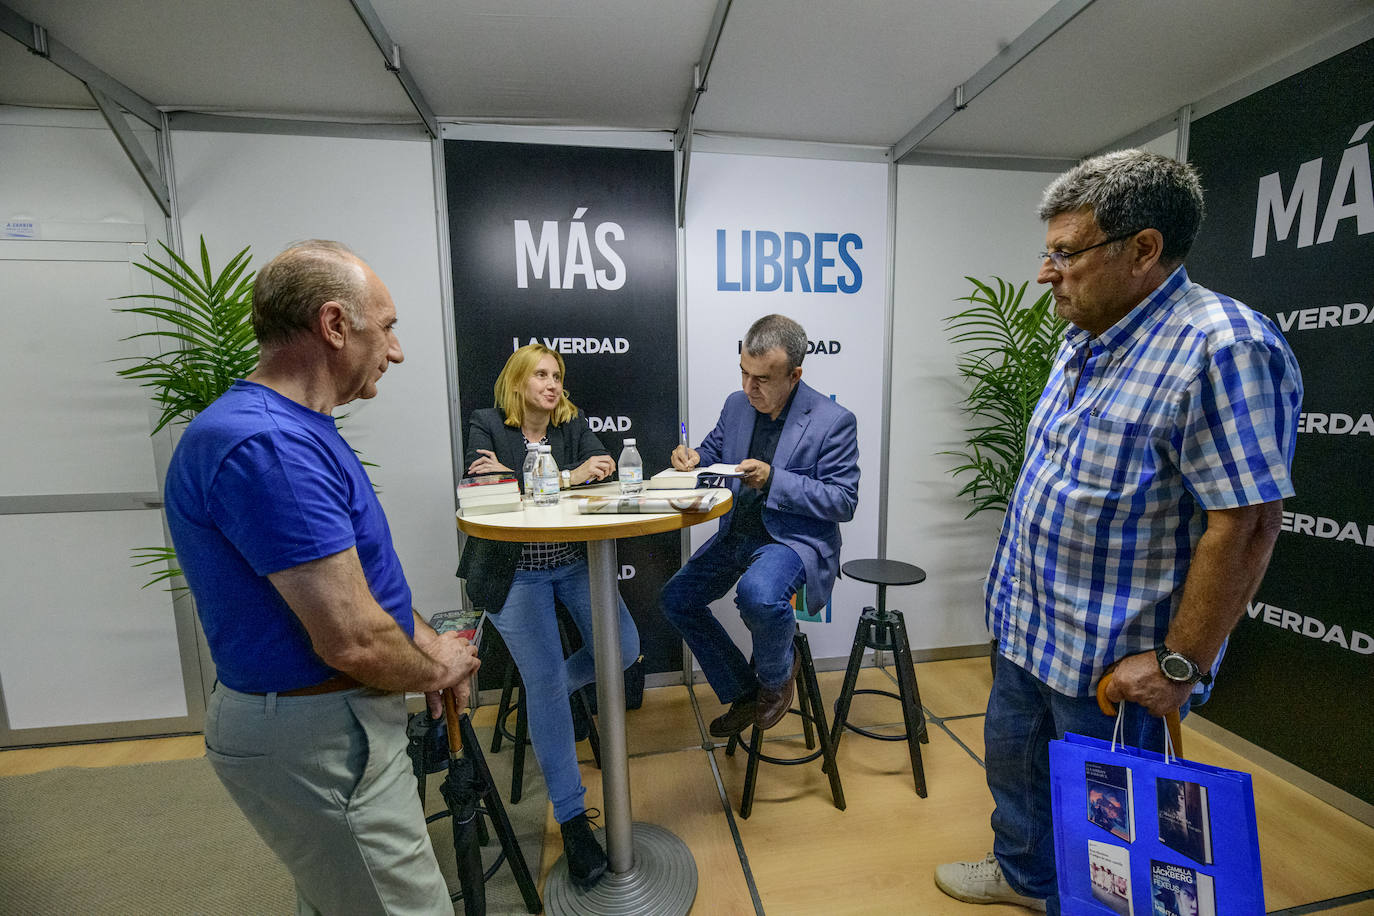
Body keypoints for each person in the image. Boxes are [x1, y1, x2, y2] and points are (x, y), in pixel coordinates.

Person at [935, 150, 1302, 913]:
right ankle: (1025, 878)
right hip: (1030, 633)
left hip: (1116, 666)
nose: (1046, 274)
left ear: (1143, 250)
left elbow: (1246, 525)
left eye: (1066, 253)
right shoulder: (1083, 338)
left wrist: (1178, 665)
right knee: (1018, 777)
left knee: (1116, 838)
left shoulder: (1222, 349)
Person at [163, 240, 481, 915]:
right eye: (386, 327)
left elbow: (363, 585)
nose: (395, 351)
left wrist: (427, 646)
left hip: (328, 721)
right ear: (335, 324)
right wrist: (437, 669)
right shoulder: (271, 446)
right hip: (321, 733)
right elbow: (354, 639)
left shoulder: (294, 429)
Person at [455, 343, 640, 889]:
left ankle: (549, 694)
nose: (552, 384)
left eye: (557, 375)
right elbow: (486, 490)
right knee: (543, 685)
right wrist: (567, 476)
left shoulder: (571, 424)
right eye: (540, 374)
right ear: (518, 381)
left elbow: (603, 468)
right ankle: (573, 820)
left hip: (571, 562)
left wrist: (562, 475)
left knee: (622, 648)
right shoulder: (487, 424)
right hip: (513, 574)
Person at [660, 314, 860, 736]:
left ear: (795, 375)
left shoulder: (833, 420)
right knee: (676, 598)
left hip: (793, 540)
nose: (749, 388)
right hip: (738, 531)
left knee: (759, 595)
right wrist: (692, 457)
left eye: (763, 379)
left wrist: (774, 480)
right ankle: (743, 691)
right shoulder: (737, 404)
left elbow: (843, 501)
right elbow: (713, 451)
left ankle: (775, 679)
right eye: (744, 373)